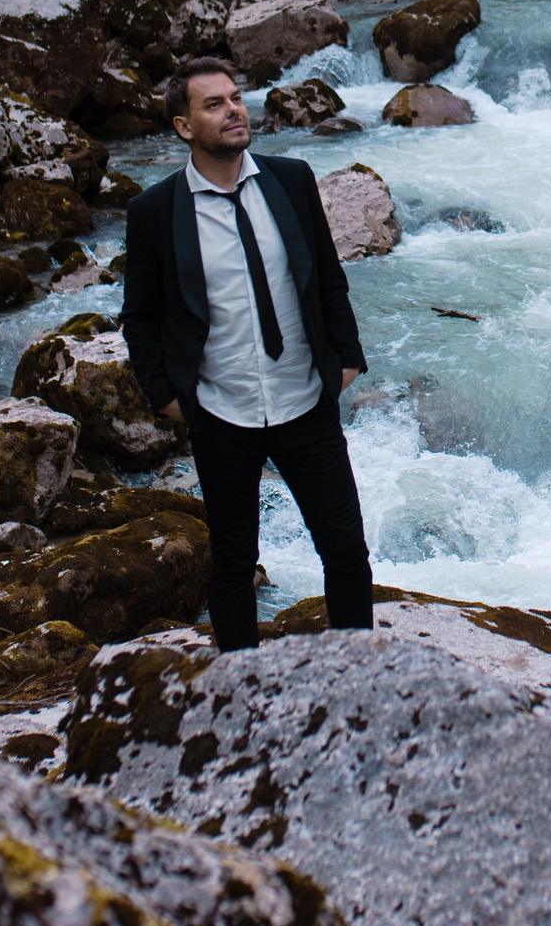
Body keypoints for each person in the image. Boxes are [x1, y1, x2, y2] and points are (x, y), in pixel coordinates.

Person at [122, 57, 373, 650]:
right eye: (214, 104)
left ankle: (361, 674)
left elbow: (327, 278)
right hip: (222, 410)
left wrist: (347, 358)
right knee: (234, 563)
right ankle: (243, 689)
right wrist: (166, 398)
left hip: (305, 398)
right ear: (184, 127)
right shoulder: (155, 213)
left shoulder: (291, 179)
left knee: (345, 550)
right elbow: (141, 318)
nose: (234, 110)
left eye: (236, 98)